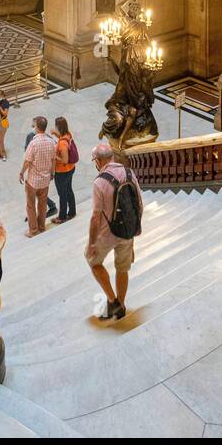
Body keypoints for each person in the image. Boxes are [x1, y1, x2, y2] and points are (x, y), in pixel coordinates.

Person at [86, 138, 143, 321]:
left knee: (93, 262)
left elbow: (95, 218)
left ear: (98, 160)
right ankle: (122, 304)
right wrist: (135, 229)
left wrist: (91, 243)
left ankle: (113, 301)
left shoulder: (99, 182)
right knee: (123, 268)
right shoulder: (129, 173)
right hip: (127, 231)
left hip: (107, 233)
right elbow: (139, 204)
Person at [19, 116, 57, 237]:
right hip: (45, 180)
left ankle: (33, 231)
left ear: (37, 127)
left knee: (30, 205)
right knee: (42, 204)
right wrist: (52, 173)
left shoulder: (33, 143)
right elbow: (53, 159)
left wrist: (21, 172)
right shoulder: (51, 142)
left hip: (33, 181)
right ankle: (42, 227)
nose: (33, 127)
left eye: (34, 125)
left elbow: (27, 161)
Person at [24, 125, 56, 219]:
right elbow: (27, 152)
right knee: (39, 193)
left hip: (40, 171)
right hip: (39, 170)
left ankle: (33, 219)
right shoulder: (32, 136)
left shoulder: (46, 138)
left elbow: (54, 154)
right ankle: (50, 207)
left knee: (36, 194)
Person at [51, 116, 77, 225]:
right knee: (69, 190)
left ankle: (62, 217)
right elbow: (63, 139)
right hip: (71, 169)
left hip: (63, 171)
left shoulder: (62, 143)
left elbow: (65, 160)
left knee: (62, 194)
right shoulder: (68, 134)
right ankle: (72, 212)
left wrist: (55, 156)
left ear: (58, 127)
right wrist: (56, 135)